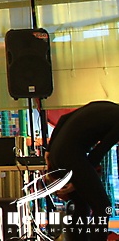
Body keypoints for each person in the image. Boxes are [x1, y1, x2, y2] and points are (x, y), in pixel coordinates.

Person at [45, 100, 119, 241]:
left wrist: (48, 151)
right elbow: (99, 151)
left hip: (56, 151)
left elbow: (63, 118)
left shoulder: (108, 107)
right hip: (71, 154)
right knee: (102, 207)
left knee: (81, 203)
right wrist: (78, 179)